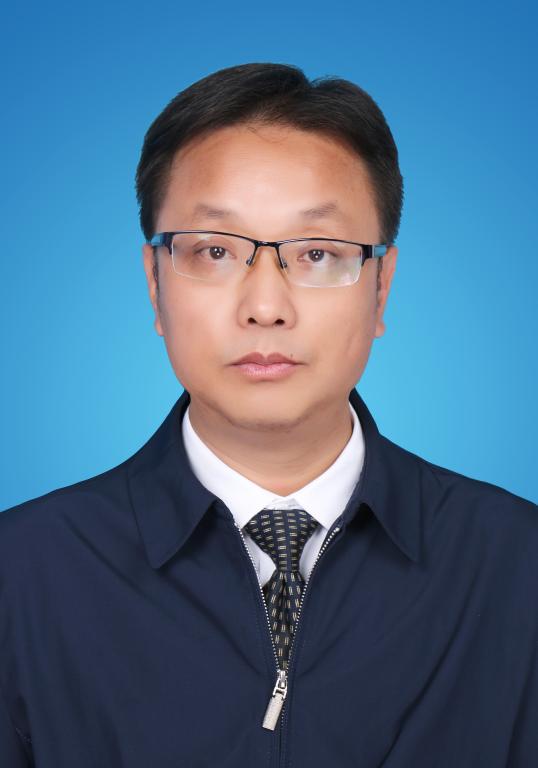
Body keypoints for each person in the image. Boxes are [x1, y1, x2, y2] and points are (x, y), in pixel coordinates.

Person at [0, 62, 536, 767]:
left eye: (317, 253)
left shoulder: (516, 566)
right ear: (155, 285)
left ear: (381, 289)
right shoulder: (24, 573)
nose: (265, 306)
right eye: (215, 250)